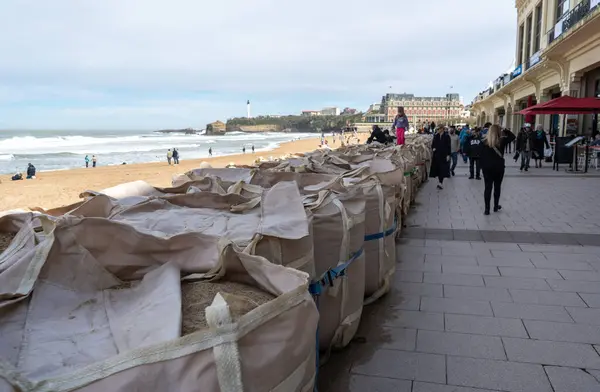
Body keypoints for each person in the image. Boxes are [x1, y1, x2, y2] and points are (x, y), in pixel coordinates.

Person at [480, 124, 516, 215]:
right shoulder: (502, 141)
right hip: (498, 167)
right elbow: (513, 136)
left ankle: (487, 209)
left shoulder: (484, 142)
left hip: (487, 168)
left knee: (487, 188)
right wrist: (505, 129)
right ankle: (495, 206)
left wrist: (482, 166)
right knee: (497, 187)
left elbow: (481, 156)